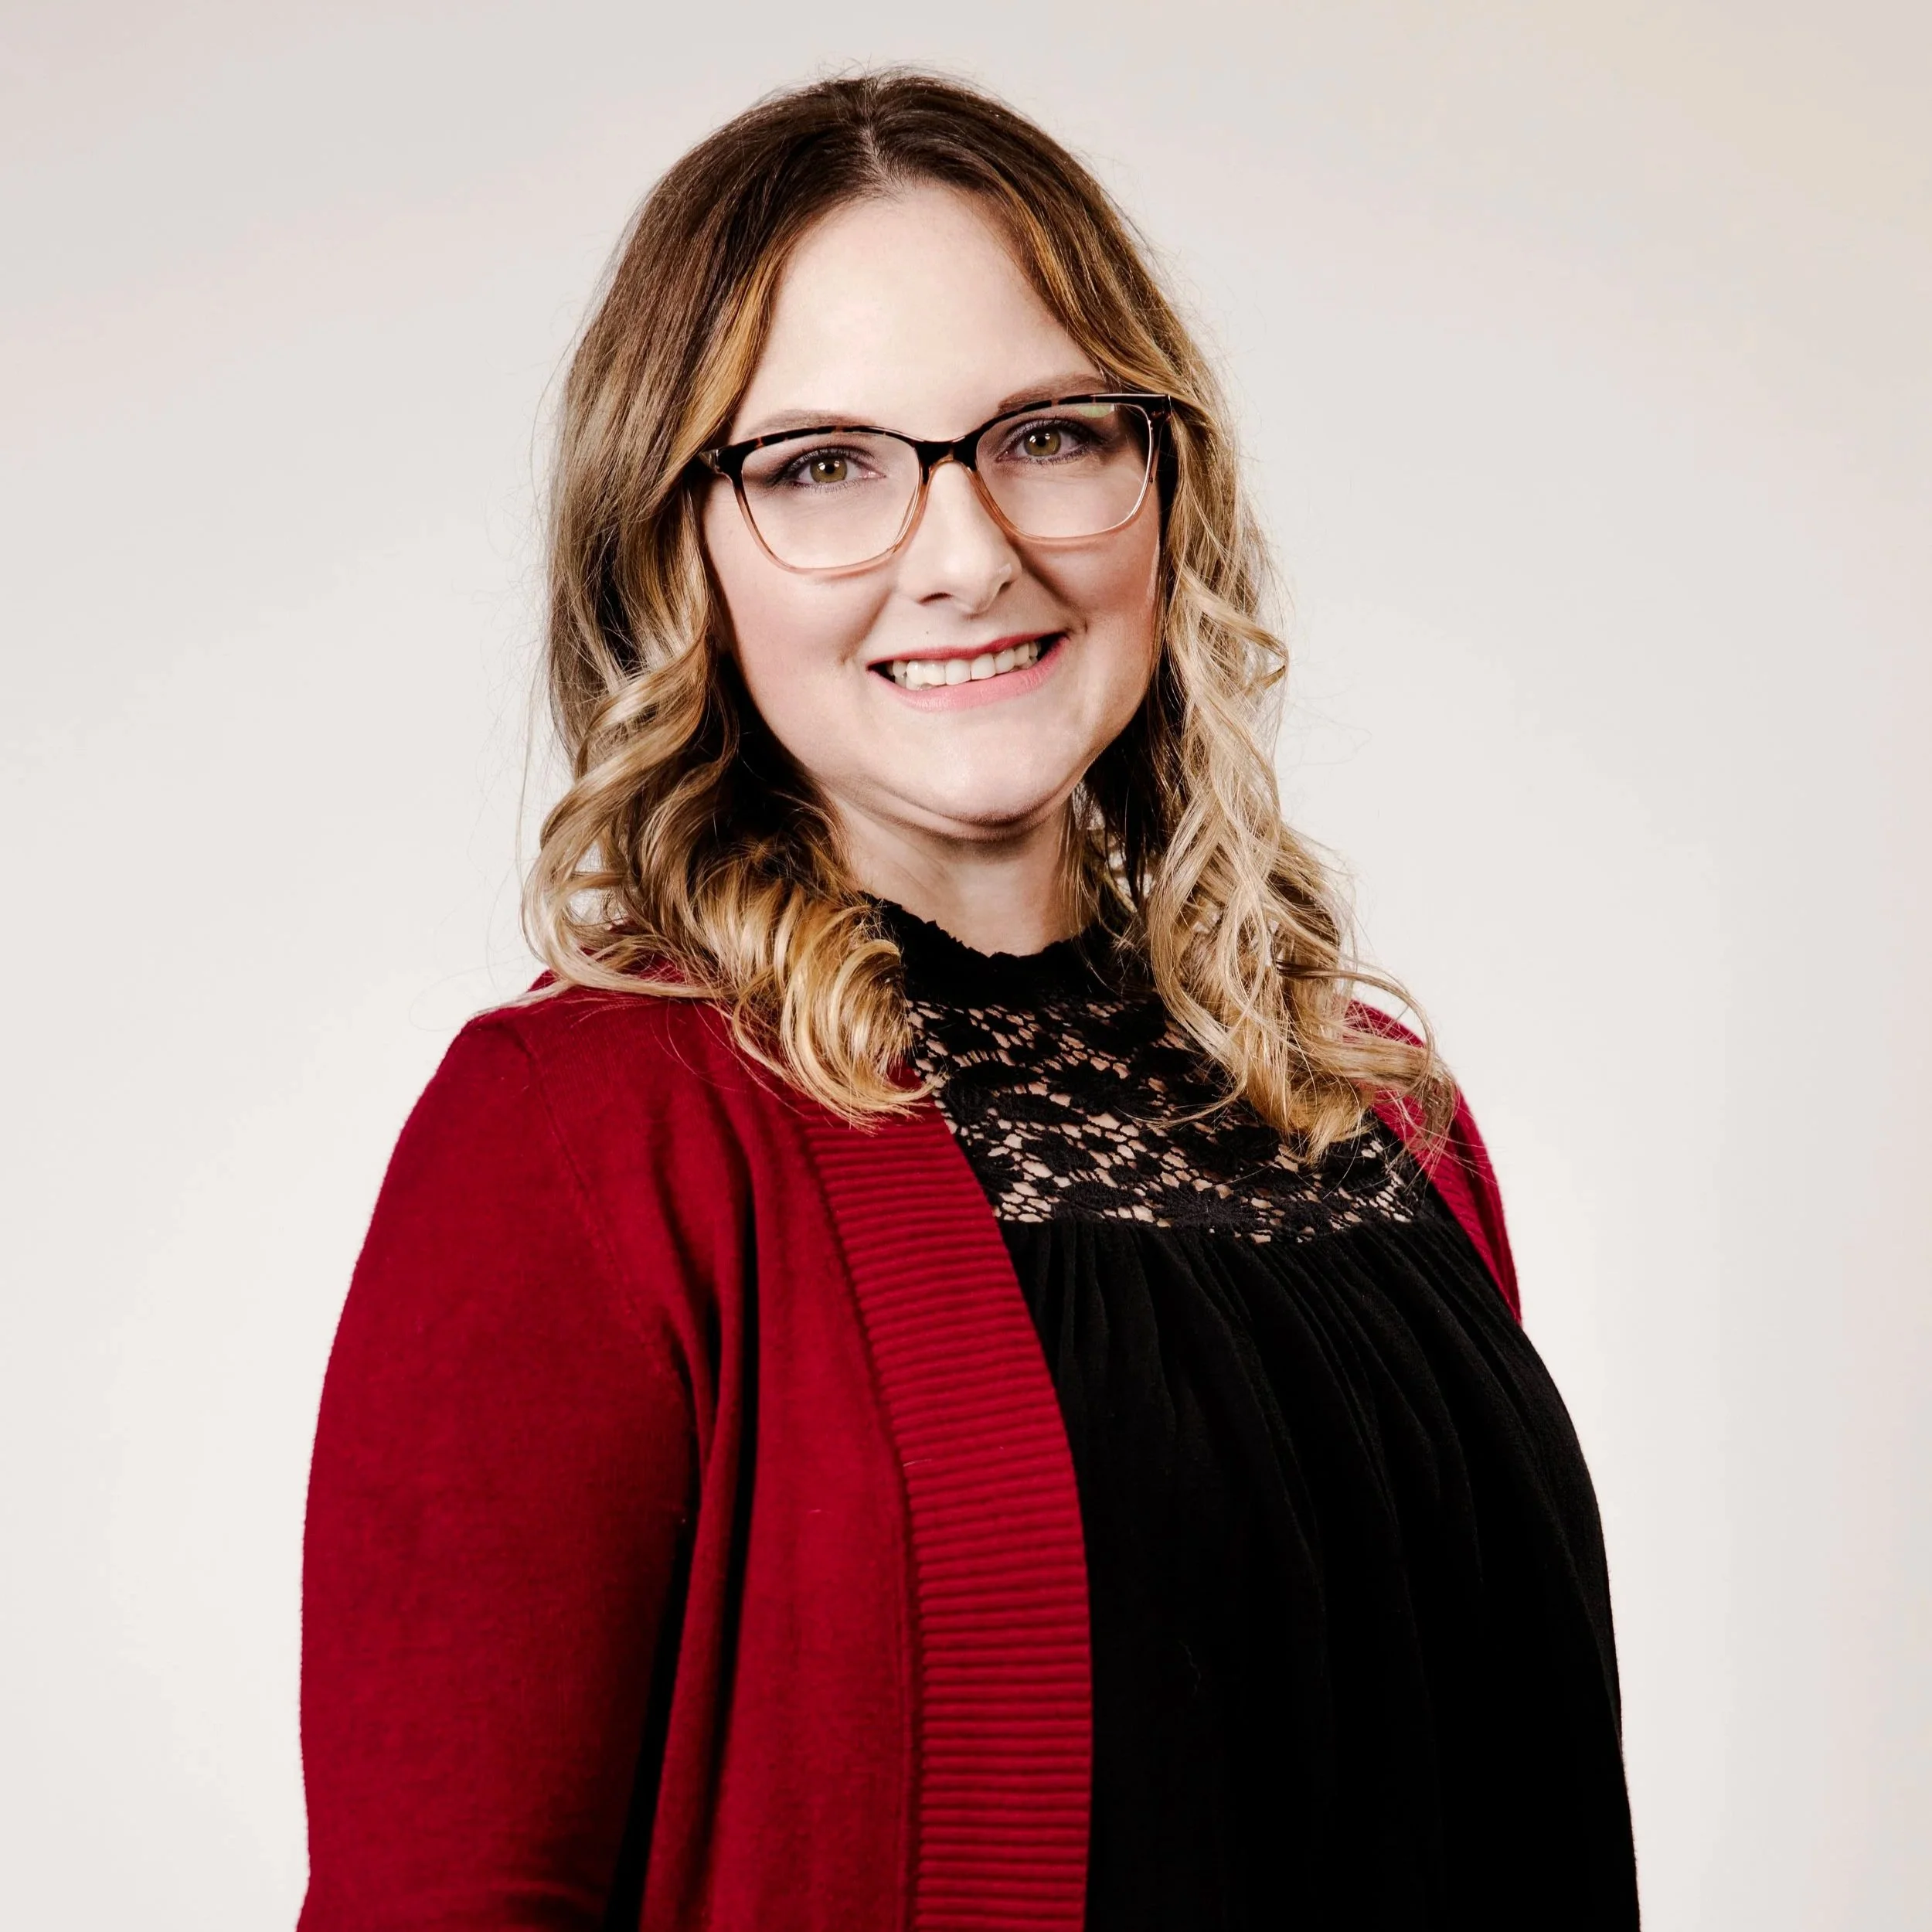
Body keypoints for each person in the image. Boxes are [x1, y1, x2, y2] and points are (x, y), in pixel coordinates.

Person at [298, 70, 1638, 1932]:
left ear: (1160, 479)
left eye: (1046, 433)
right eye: (821, 463)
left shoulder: (1374, 1113)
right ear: (677, 548)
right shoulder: (580, 1139)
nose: (964, 549)